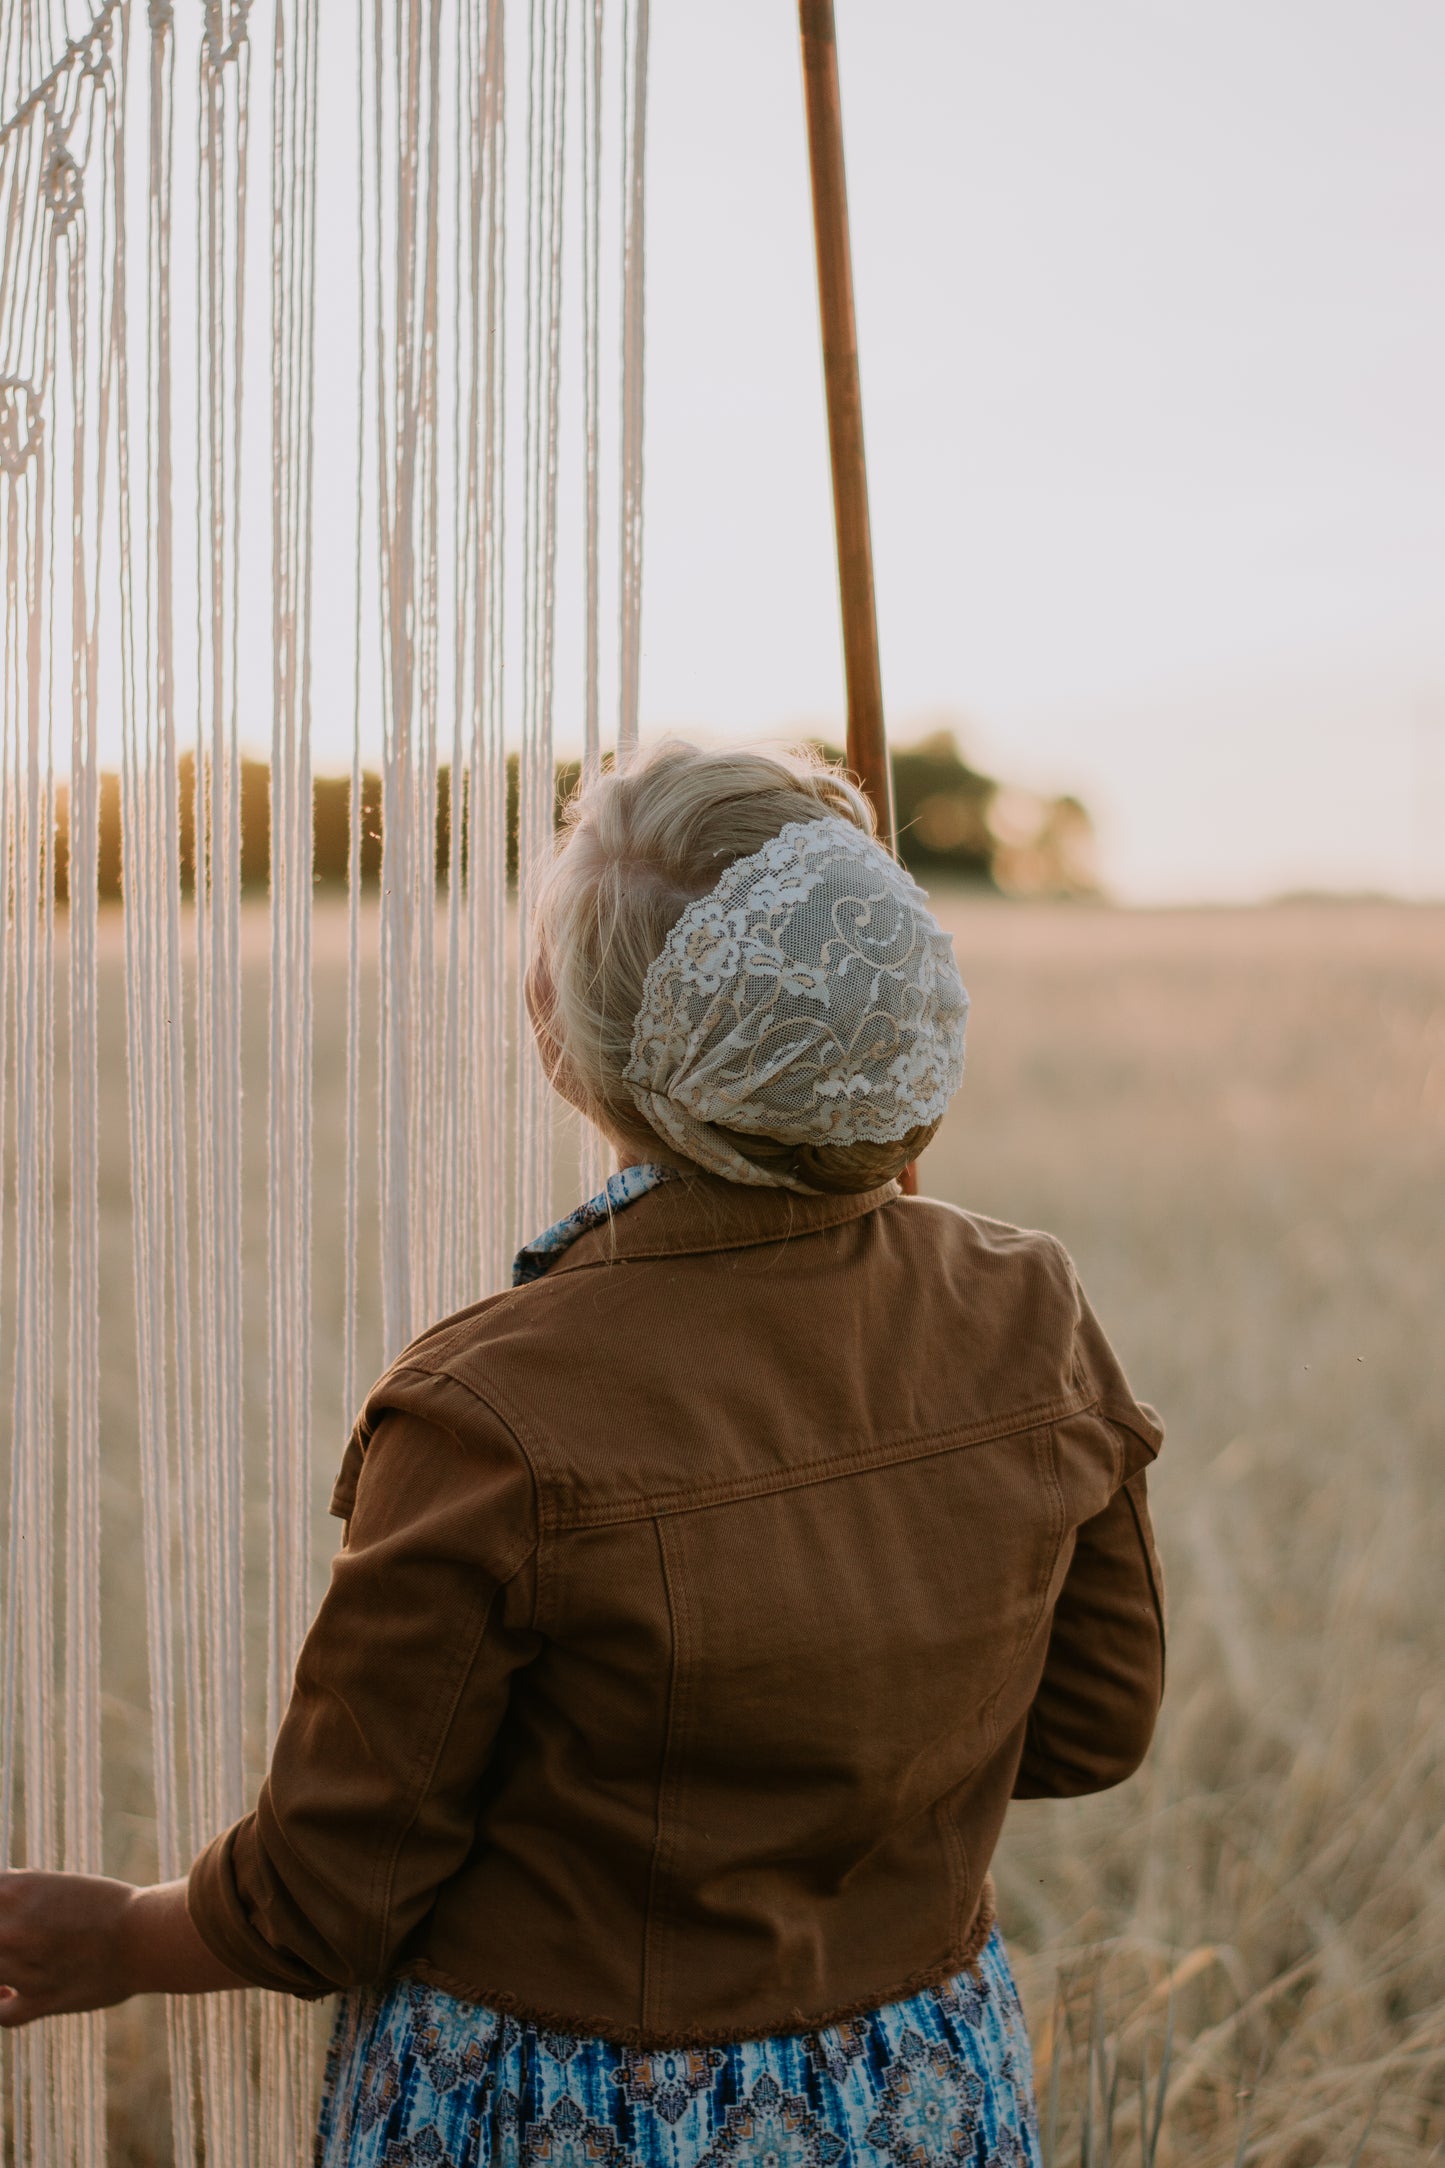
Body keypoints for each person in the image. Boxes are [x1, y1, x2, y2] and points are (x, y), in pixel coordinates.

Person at [0, 740, 1165, 2167]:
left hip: (574, 2117)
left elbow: (333, 1893)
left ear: (566, 1037)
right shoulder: (1025, 1303)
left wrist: (119, 1935)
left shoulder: (485, 1415)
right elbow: (1089, 1725)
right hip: (923, 2091)